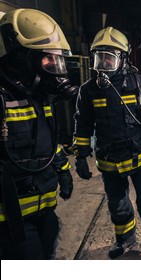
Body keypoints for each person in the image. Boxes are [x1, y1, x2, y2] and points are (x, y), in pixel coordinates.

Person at [73, 27, 141, 259]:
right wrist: (81, 155)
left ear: (122, 59)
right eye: (99, 57)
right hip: (109, 160)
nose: (103, 63)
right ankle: (125, 239)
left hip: (140, 157)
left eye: (109, 57)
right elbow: (82, 124)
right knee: (118, 203)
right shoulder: (88, 91)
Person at [0, 8, 76, 259]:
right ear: (21, 58)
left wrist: (63, 170)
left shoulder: (41, 97)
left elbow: (48, 141)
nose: (56, 69)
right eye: (49, 60)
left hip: (46, 210)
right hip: (12, 221)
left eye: (58, 60)